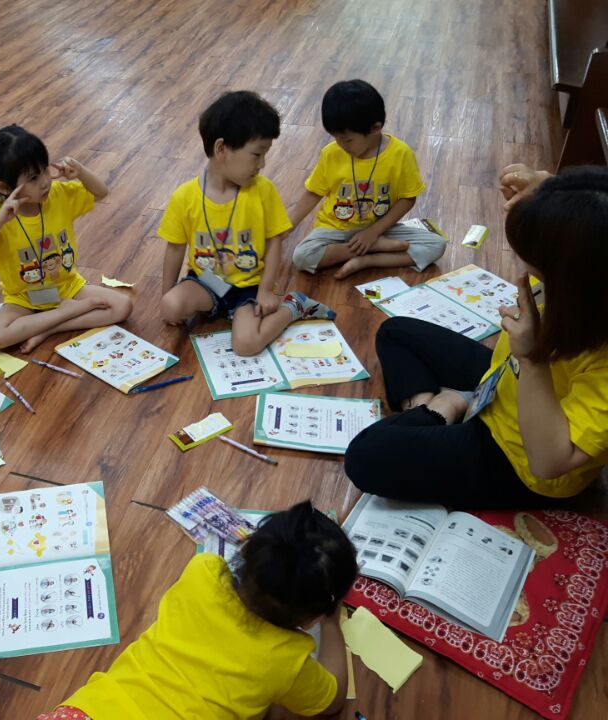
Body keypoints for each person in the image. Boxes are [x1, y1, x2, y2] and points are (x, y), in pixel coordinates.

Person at [344, 165, 608, 507]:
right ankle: (436, 410)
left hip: (518, 459)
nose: (527, 271)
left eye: (535, 266)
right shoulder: (591, 268)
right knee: (396, 332)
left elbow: (548, 462)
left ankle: (445, 407)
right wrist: (550, 193)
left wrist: (531, 358)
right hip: (501, 381)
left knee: (365, 456)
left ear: (572, 280)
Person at [37, 501, 357, 719]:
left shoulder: (203, 571)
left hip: (87, 711)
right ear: (310, 615)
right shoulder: (288, 660)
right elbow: (332, 700)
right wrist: (332, 624)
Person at [158, 90, 336, 356]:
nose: (262, 164)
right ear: (221, 149)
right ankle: (212, 307)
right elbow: (174, 248)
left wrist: (265, 290)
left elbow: (274, 242)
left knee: (246, 345)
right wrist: (167, 293)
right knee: (170, 307)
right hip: (206, 281)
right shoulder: (184, 197)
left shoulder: (263, 190)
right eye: (256, 154)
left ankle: (295, 307)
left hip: (249, 288)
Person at [0, 125, 132, 353]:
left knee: (122, 306)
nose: (45, 181)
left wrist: (81, 172)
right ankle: (65, 314)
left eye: (45, 169)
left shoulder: (58, 195)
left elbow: (101, 192)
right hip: (23, 299)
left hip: (67, 288)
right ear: (4, 187)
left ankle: (48, 327)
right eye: (33, 178)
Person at [289, 79, 446, 279]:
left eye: (347, 140)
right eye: (336, 138)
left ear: (375, 128)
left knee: (437, 244)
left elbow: (408, 198)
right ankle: (372, 249)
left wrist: (373, 232)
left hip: (381, 229)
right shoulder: (331, 153)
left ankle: (367, 260)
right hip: (336, 229)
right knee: (302, 257)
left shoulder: (401, 154)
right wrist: (287, 226)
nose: (341, 145)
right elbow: (313, 193)